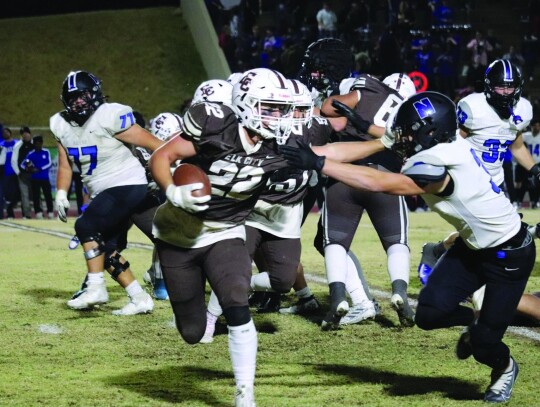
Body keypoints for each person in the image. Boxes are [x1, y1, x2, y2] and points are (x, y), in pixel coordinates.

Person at [281, 91, 535, 403]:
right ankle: (482, 323)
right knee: (427, 315)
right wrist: (309, 152)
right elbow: (367, 146)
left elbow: (379, 183)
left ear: (428, 132)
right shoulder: (441, 143)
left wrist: (320, 163)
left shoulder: (440, 162)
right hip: (472, 247)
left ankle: (505, 366)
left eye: (407, 131)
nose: (401, 137)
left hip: (508, 254)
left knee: (485, 344)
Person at [148, 68, 297, 406]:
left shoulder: (282, 145)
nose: (280, 117)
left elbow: (330, 160)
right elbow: (162, 156)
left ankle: (245, 396)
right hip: (179, 236)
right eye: (271, 108)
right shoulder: (215, 122)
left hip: (226, 231)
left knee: (236, 299)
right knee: (193, 332)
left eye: (282, 109)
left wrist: (382, 143)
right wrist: (172, 189)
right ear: (245, 104)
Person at [51, 70, 162, 315]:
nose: (78, 102)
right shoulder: (60, 124)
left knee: (85, 227)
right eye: (73, 98)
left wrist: (172, 172)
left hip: (127, 183)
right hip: (106, 190)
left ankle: (95, 287)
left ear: (95, 94)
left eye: (83, 96)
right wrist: (61, 192)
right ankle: (139, 297)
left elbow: (156, 145)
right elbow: (65, 164)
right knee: (107, 248)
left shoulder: (108, 116)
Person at [316, 72, 418, 328]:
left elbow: (330, 109)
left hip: (346, 174)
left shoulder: (371, 88)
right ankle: (399, 291)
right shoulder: (412, 115)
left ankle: (339, 297)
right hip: (385, 177)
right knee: (397, 241)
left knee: (334, 241)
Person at [418, 59, 534, 281]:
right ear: (489, 86)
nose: (505, 93)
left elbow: (516, 145)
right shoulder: (473, 107)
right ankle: (457, 275)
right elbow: (452, 141)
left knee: (483, 235)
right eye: (501, 87)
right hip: (468, 180)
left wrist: (534, 168)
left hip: (495, 182)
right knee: (484, 235)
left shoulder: (523, 109)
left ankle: (438, 252)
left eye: (510, 87)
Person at [21, 135, 54, 219]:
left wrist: (39, 169)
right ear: (34, 144)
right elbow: (22, 164)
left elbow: (50, 163)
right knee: (36, 196)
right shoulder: (31, 154)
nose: (37, 145)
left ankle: (50, 211)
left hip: (44, 178)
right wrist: (29, 169)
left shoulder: (46, 152)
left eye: (39, 143)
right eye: (36, 144)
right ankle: (38, 212)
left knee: (48, 195)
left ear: (42, 143)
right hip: (34, 179)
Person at [11, 126, 34, 218]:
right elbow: (13, 160)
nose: (25, 135)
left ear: (30, 133)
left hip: (34, 174)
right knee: (24, 195)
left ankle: (38, 212)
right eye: (23, 134)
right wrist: (18, 173)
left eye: (26, 133)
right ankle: (27, 214)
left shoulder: (35, 143)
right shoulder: (17, 146)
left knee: (36, 194)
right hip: (22, 174)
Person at [0, 127, 21, 219]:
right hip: (5, 173)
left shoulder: (17, 143)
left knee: (17, 193)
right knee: (8, 194)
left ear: (10, 132)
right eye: (3, 132)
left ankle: (23, 213)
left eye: (6, 132)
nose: (5, 134)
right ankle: (10, 214)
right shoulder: (1, 145)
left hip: (17, 172)